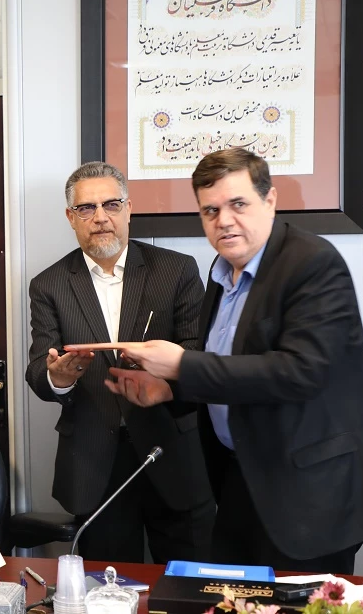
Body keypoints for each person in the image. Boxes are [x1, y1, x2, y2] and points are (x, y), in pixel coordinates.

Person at [111, 148, 363, 573]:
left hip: (310, 491)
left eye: (238, 204)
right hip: (241, 483)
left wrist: (182, 365)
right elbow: (231, 367)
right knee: (231, 599)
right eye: (210, 210)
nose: (224, 220)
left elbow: (301, 372)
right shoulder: (220, 270)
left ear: (270, 200)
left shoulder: (313, 262)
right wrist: (170, 390)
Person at [26, 161, 214, 563]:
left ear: (129, 209)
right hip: (95, 463)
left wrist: (166, 385)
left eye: (111, 205)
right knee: (107, 586)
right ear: (70, 218)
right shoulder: (49, 285)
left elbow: (199, 353)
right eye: (86, 208)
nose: (100, 217)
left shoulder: (176, 270)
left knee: (186, 585)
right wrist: (59, 377)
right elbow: (39, 370)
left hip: (171, 451)